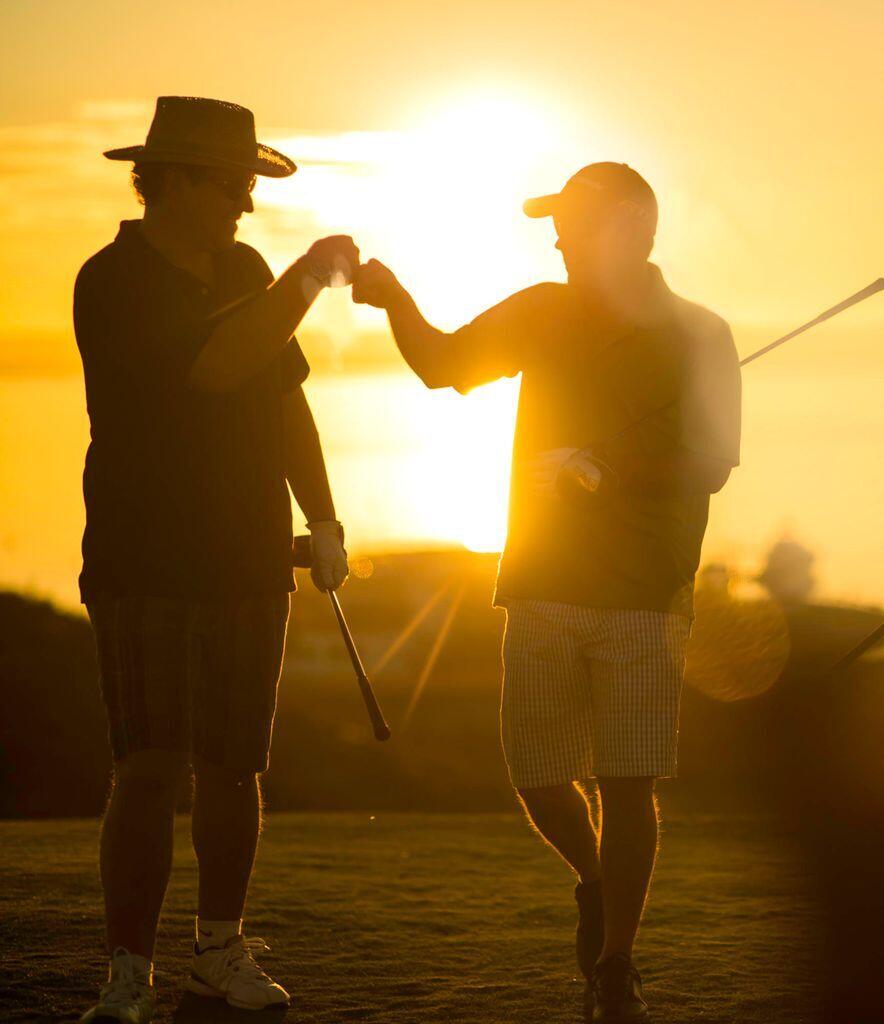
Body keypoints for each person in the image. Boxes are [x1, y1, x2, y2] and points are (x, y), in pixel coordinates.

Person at [352, 162, 741, 1023]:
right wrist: (396, 300)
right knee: (536, 777)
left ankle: (616, 963)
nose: (559, 239)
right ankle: (598, 884)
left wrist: (608, 471)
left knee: (627, 783)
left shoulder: (701, 334)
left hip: (644, 592)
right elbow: (442, 365)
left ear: (632, 229)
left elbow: (711, 463)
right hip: (541, 580)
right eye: (558, 224)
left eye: (576, 223)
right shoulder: (540, 309)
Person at [73, 96, 357, 1023]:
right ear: (176, 181)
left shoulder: (244, 268)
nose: (246, 201)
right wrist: (307, 279)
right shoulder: (112, 280)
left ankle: (218, 951)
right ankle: (129, 972)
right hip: (143, 555)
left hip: (248, 553)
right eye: (233, 183)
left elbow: (282, 399)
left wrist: (323, 517)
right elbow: (218, 367)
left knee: (236, 767)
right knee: (149, 767)